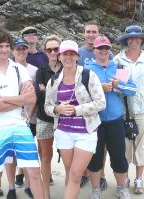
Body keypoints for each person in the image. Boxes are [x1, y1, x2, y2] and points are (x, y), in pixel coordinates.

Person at [0, 29, 44, 199]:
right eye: (0, 46)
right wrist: (19, 99)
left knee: (34, 172)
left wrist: (4, 99)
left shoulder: (19, 69)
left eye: (7, 46)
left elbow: (31, 98)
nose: (4, 50)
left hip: (20, 125)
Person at [44, 40, 106, 199]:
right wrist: (57, 109)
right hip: (63, 133)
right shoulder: (54, 80)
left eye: (72, 54)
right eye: (65, 54)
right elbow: (47, 107)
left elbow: (101, 103)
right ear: (59, 56)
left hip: (86, 133)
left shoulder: (88, 75)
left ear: (77, 56)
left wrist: (76, 110)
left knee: (76, 174)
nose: (68, 57)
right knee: (71, 174)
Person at [114, 25, 144, 194]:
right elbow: (118, 87)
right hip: (124, 110)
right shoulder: (118, 60)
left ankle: (139, 178)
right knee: (125, 146)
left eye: (137, 38)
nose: (134, 40)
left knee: (142, 145)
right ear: (126, 40)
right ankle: (125, 178)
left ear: (141, 40)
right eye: (131, 38)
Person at [86, 35, 137, 199]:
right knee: (95, 158)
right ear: (94, 50)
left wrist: (118, 85)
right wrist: (99, 88)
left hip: (116, 120)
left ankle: (122, 188)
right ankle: (95, 190)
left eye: (106, 48)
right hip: (95, 120)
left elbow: (133, 91)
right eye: (99, 48)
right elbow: (79, 93)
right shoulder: (87, 69)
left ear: (110, 50)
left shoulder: (119, 68)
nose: (103, 51)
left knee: (119, 157)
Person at [78, 20, 111, 190]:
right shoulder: (79, 52)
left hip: (101, 106)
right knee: (85, 141)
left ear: (98, 33)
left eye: (94, 31)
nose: (91, 34)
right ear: (84, 33)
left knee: (101, 144)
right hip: (83, 106)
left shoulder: (106, 52)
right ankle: (84, 173)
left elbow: (110, 74)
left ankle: (102, 174)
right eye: (88, 31)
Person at [35, 35, 63, 199]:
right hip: (44, 118)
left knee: (68, 157)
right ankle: (45, 192)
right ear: (45, 51)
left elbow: (71, 94)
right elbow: (39, 95)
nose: (53, 52)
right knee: (45, 157)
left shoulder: (67, 67)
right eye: (49, 49)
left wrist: (48, 89)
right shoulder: (41, 70)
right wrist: (52, 92)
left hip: (65, 119)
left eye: (56, 49)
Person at [11, 37, 38, 198]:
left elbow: (35, 96)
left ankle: (28, 185)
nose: (21, 51)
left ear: (27, 50)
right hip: (11, 117)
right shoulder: (7, 69)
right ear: (13, 51)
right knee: (12, 153)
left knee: (28, 151)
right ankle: (13, 183)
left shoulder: (34, 70)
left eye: (24, 48)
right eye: (18, 49)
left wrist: (28, 115)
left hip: (29, 117)